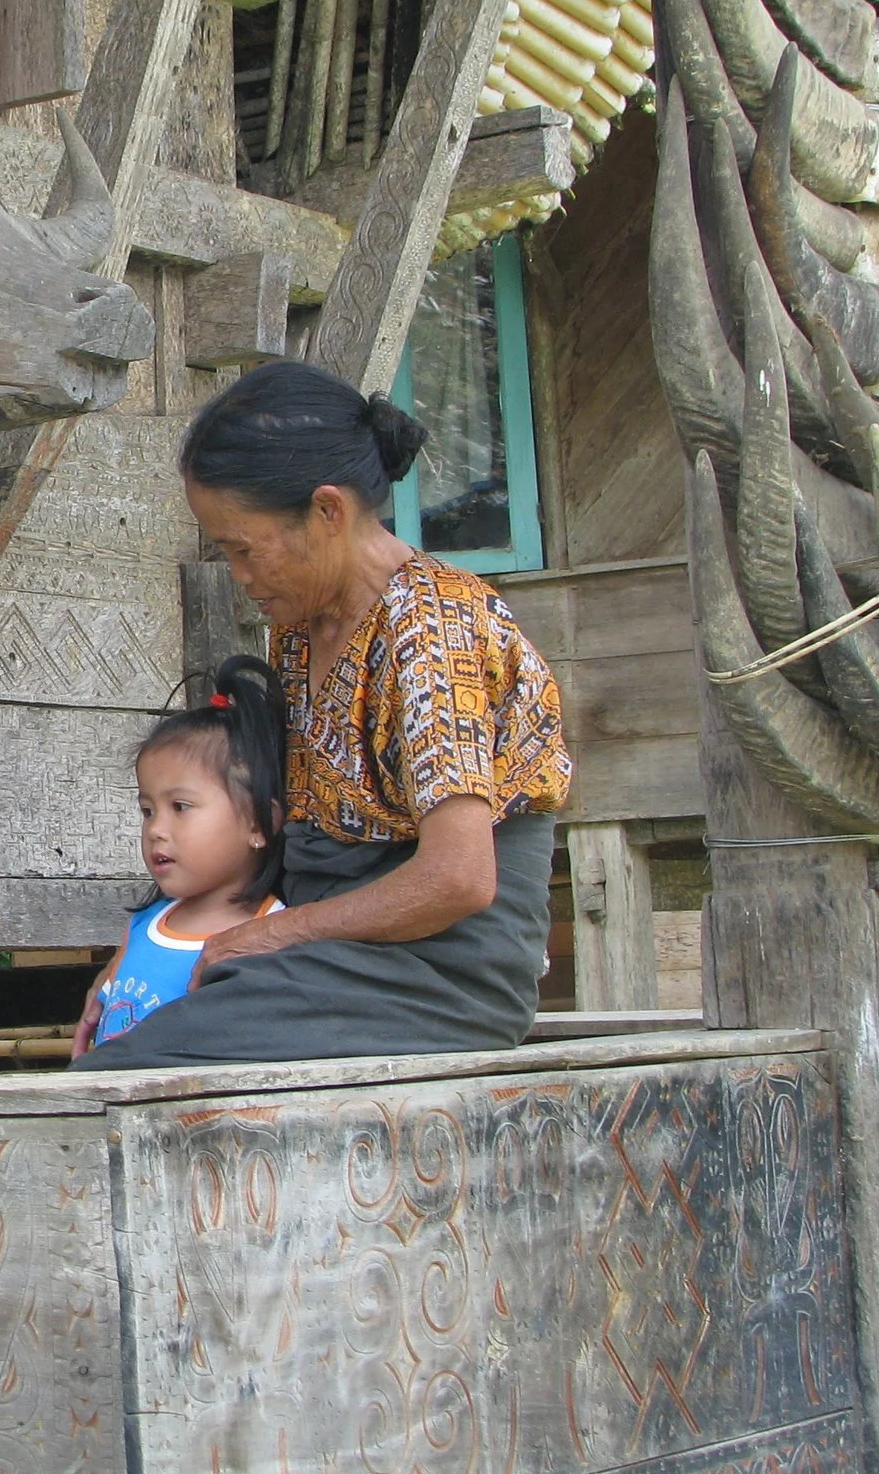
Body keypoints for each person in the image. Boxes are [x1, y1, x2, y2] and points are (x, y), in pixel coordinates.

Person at [73, 359, 572, 1069]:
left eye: (245, 550)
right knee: (148, 1019)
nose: (240, 577)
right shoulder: (302, 631)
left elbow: (460, 878)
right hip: (322, 951)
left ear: (329, 511)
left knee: (132, 1070)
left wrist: (274, 936)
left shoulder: (433, 631)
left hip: (436, 973)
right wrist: (140, 963)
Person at [72, 656, 286, 1057]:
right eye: (147, 810)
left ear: (259, 824)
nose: (156, 829)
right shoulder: (143, 927)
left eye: (181, 807)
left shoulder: (276, 932)